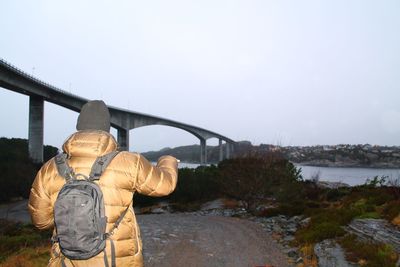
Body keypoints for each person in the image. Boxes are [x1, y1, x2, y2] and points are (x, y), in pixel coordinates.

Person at [28, 100, 178, 267]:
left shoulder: (49, 168)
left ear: (79, 126)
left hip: (67, 260)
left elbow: (40, 221)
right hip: (117, 260)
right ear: (107, 127)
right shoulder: (129, 162)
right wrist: (168, 160)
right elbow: (165, 185)